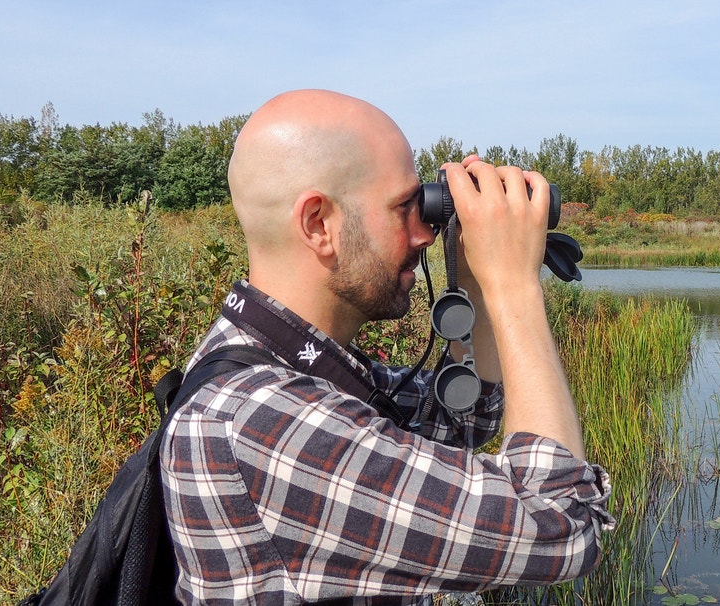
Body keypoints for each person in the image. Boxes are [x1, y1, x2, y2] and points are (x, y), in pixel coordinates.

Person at [160, 89, 614, 605]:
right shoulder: (262, 421)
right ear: (318, 224)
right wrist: (515, 287)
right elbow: (563, 524)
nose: (424, 231)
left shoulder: (282, 363)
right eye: (405, 207)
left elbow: (461, 420)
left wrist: (478, 283)